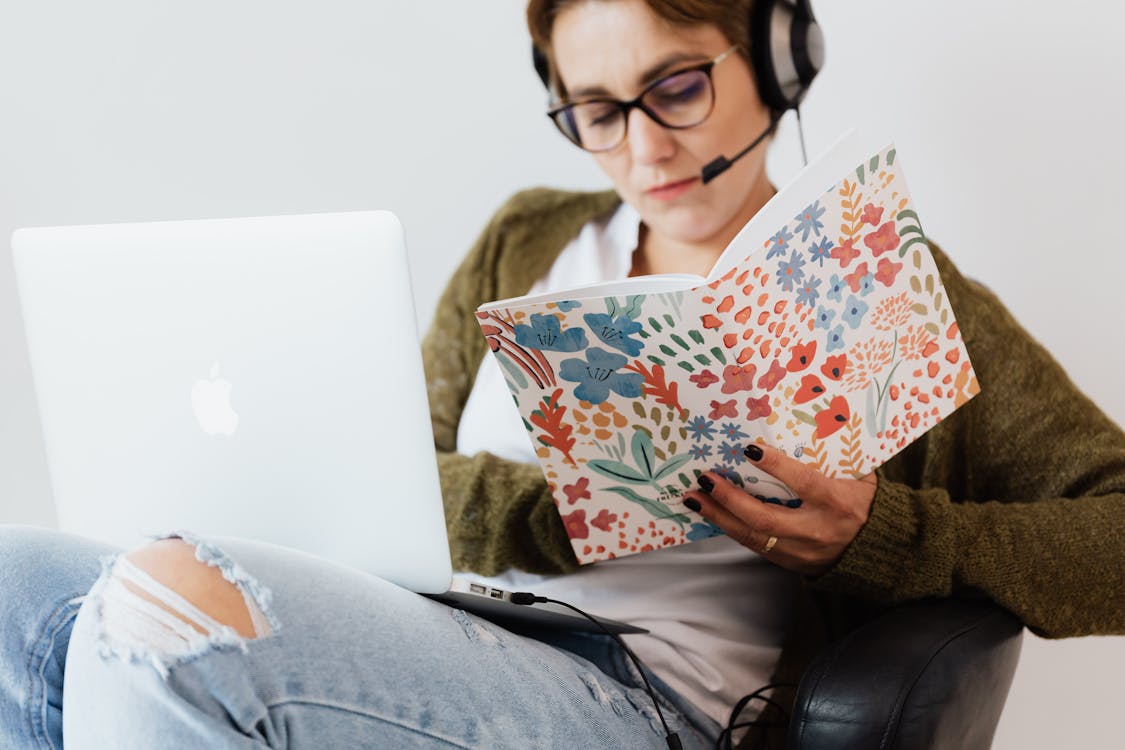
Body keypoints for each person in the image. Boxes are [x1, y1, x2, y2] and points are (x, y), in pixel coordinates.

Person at [1, 1, 1123, 748]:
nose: (643, 148)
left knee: (164, 606)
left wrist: (885, 533)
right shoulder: (525, 240)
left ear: (779, 58)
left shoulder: (883, 279)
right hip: (449, 624)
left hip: (647, 694)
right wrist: (551, 516)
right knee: (15, 580)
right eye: (597, 111)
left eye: (676, 88)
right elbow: (397, 468)